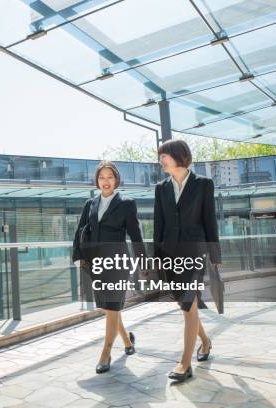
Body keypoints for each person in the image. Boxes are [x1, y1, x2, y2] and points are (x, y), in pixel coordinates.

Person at [153, 140, 221, 382]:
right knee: (185, 306)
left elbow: (209, 219)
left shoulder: (203, 184)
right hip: (170, 254)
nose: (161, 161)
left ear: (178, 156)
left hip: (194, 253)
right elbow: (158, 225)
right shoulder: (161, 188)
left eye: (164, 156)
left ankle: (185, 363)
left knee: (188, 304)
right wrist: (157, 258)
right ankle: (205, 341)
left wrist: (215, 254)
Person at [72, 160, 146, 374]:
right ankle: (128, 342)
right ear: (97, 180)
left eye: (110, 177)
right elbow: (79, 231)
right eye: (102, 177)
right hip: (96, 263)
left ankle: (106, 353)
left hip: (117, 263)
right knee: (109, 308)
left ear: (116, 180)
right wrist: (78, 256)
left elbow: (135, 235)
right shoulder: (90, 204)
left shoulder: (126, 203)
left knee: (112, 307)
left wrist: (143, 262)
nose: (106, 181)